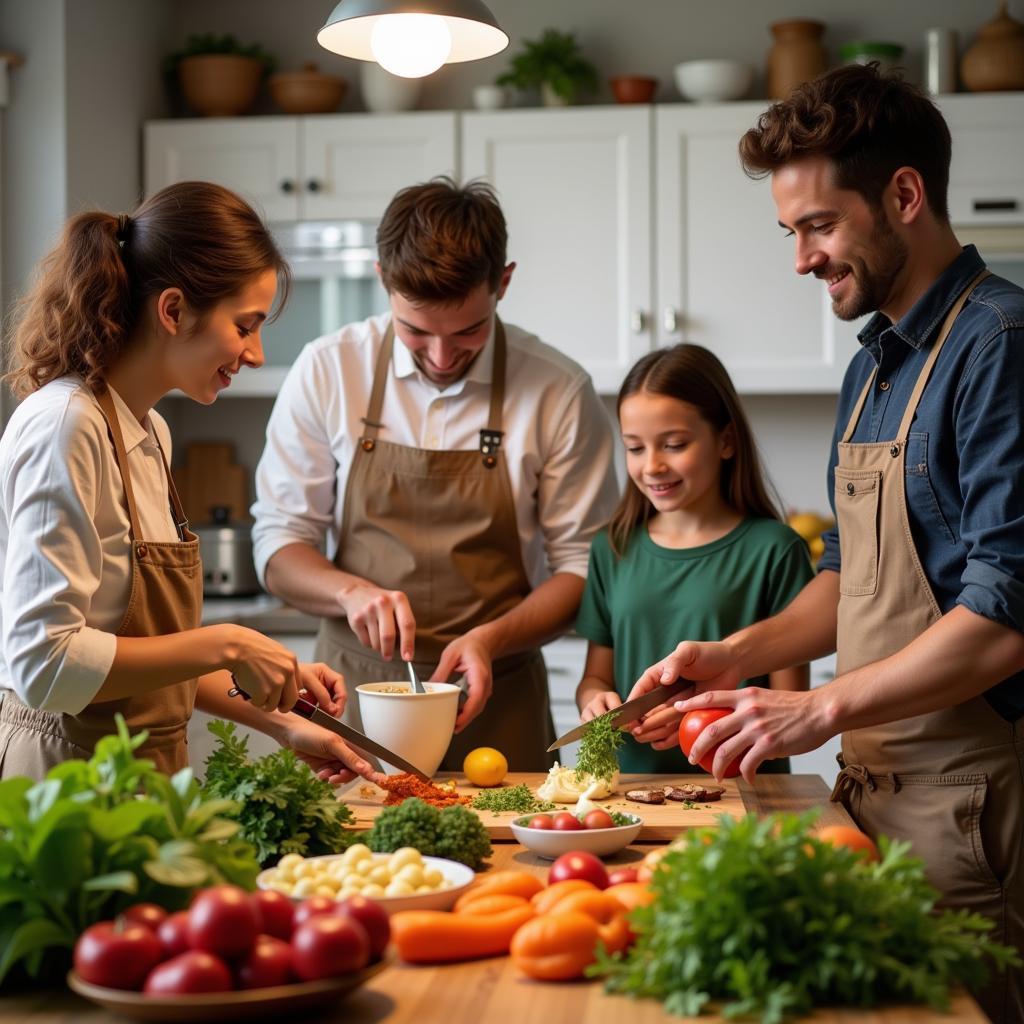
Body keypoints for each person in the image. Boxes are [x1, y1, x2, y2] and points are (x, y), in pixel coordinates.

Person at [626, 65, 1024, 1021]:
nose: (802, 258)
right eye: (790, 232)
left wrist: (820, 710)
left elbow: (1008, 616)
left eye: (818, 225)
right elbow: (847, 578)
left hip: (969, 805)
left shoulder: (999, 345)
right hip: (874, 797)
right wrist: (735, 655)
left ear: (903, 194)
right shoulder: (877, 365)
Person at [0, 181, 382, 786]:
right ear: (173, 310)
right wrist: (228, 644)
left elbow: (144, 655)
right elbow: (43, 665)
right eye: (246, 325)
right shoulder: (65, 426)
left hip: (143, 777)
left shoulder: (149, 431)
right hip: (66, 783)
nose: (255, 353)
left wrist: (282, 718)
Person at [252, 177, 618, 770]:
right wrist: (349, 591)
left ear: (504, 282)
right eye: (416, 331)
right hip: (350, 701)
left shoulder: (557, 390)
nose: (442, 358)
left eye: (468, 331)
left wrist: (489, 640)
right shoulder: (327, 370)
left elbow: (584, 572)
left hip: (497, 699)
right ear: (384, 281)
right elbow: (277, 547)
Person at [574, 343, 812, 773]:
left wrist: (700, 718)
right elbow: (596, 677)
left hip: (741, 796)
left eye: (674, 444)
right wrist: (595, 701)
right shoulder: (612, 547)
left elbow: (790, 712)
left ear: (725, 441)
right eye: (635, 448)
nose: (652, 466)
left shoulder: (776, 550)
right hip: (629, 797)